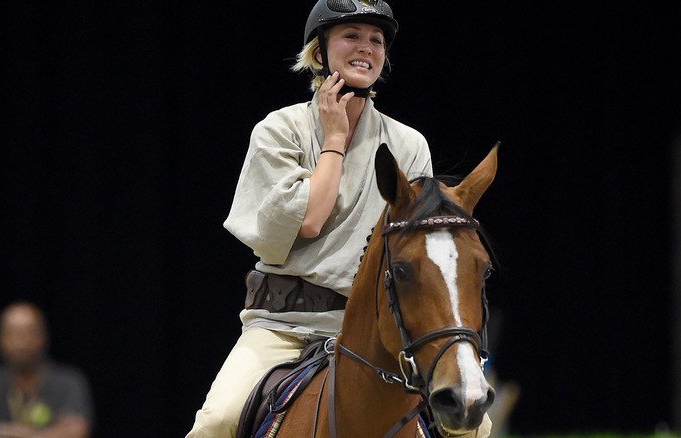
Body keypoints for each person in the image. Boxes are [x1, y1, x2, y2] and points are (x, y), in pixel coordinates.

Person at [187, 1, 491, 436]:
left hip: (380, 334)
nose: (366, 47)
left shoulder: (408, 144)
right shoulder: (279, 130)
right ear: (319, 51)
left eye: (377, 40)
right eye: (351, 35)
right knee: (215, 424)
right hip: (284, 326)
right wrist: (334, 138)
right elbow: (306, 222)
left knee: (475, 426)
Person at [0, 302, 93, 438]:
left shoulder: (68, 381)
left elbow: (77, 432)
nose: (21, 343)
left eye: (29, 333)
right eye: (13, 333)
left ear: (43, 337)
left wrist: (14, 433)